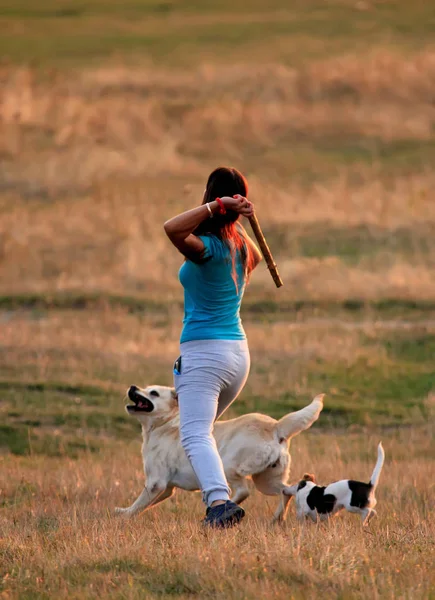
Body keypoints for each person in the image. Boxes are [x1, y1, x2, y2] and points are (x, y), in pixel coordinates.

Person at [164, 166, 262, 528]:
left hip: (205, 354)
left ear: (210, 195)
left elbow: (171, 229)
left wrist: (214, 208)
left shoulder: (206, 249)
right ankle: (209, 486)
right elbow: (254, 249)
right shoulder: (242, 249)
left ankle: (219, 503)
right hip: (237, 355)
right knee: (198, 433)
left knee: (193, 433)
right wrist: (236, 217)